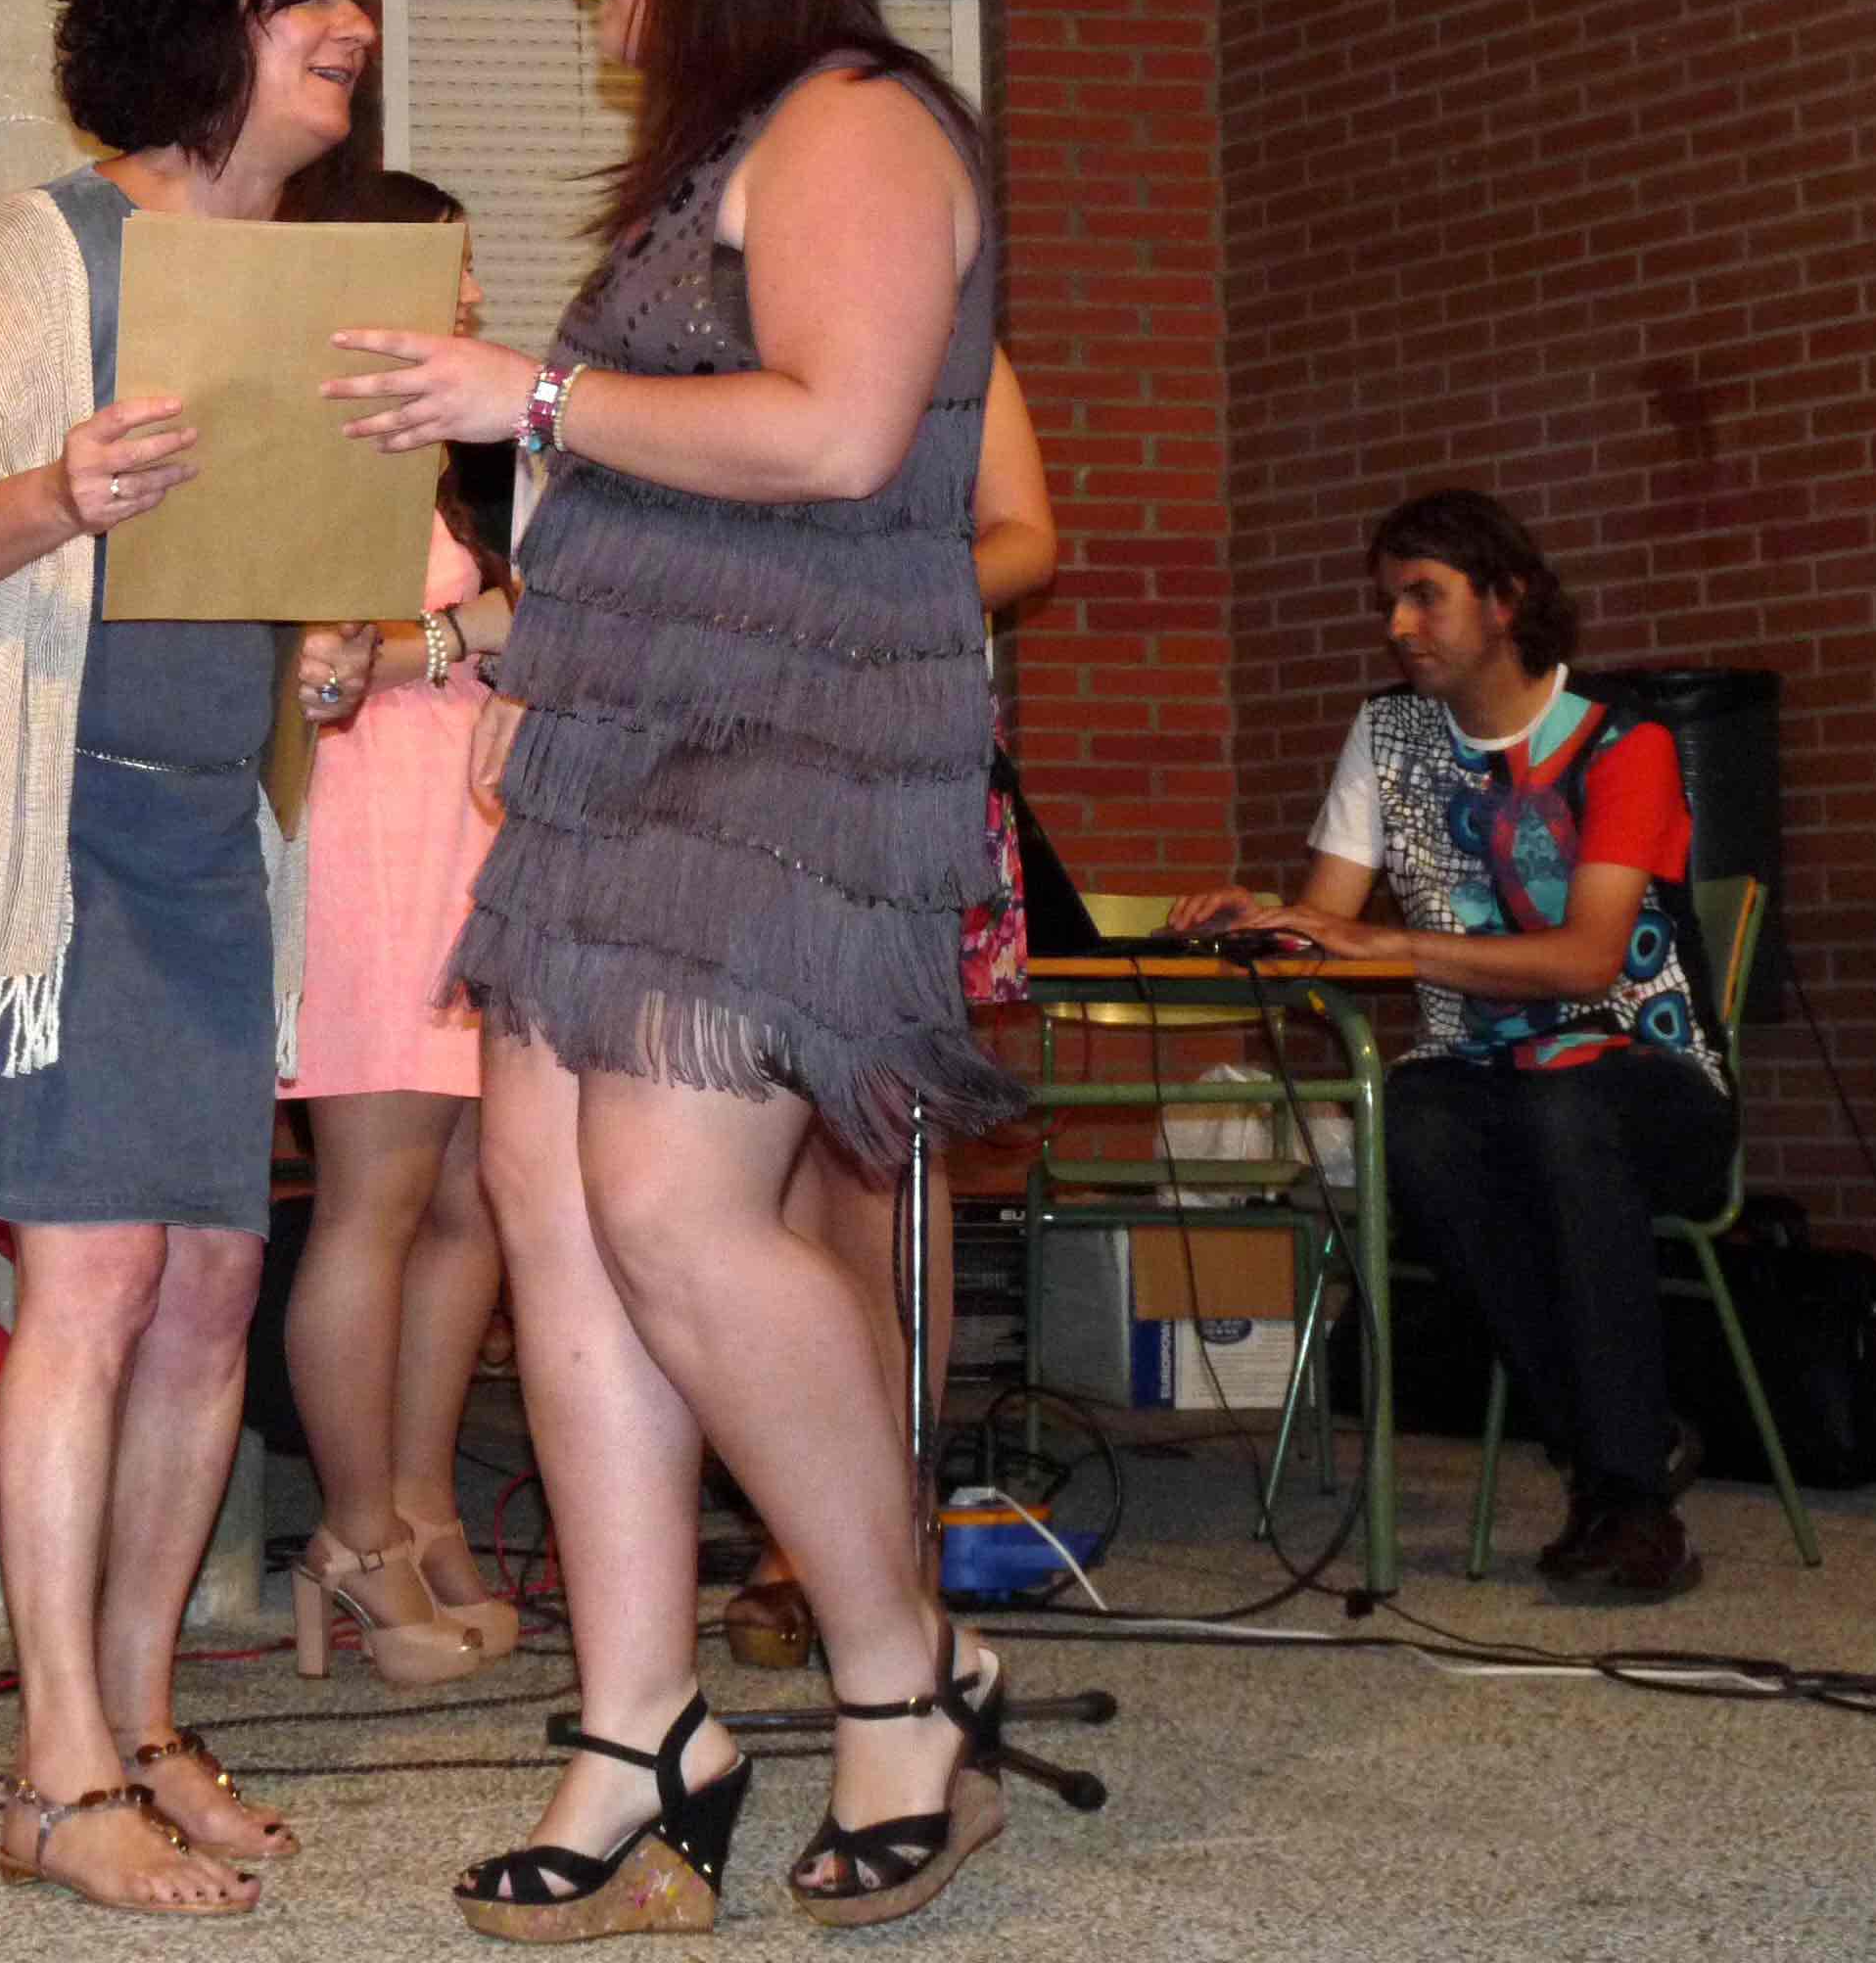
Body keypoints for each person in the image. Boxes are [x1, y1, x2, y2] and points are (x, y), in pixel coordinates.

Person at [326, 0, 1016, 1938]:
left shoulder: (858, 121)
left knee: (666, 1201)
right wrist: (515, 640)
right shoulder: (720, 159)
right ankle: (641, 1731)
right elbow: (661, 491)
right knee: (550, 1209)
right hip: (621, 746)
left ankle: (907, 1680)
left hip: (795, 749)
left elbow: (834, 430)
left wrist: (522, 398)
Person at [0, 0, 383, 1920]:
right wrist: (60, 487)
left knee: (214, 1284)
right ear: (205, 20)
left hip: (210, 832)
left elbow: (295, 562)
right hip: (44, 829)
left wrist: (332, 641)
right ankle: (55, 1771)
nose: (352, 25)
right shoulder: (47, 246)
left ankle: (142, 1724)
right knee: (88, 1283)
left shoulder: (308, 283)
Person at [1170, 488, 1730, 1602]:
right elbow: (1332, 925)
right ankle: (1621, 1461)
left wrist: (1388, 942)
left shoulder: (1624, 744)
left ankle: (1624, 1489)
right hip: (1478, 1080)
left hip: (1649, 1078)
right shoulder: (1386, 735)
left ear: (1506, 600)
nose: (1398, 625)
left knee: (1566, 1111)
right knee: (1413, 1126)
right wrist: (1267, 925)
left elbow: (1588, 961)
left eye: (1425, 597)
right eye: (1391, 601)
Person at [728, 346, 1056, 1671]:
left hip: (892, 756)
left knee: (875, 1159)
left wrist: (880, 603)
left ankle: (885, 1520)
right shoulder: (703, 331)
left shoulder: (951, 343)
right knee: (747, 1167)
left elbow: (1027, 537)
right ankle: (804, 1515)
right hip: (736, 761)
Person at [274, 163, 517, 1691]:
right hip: (365, 830)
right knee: (376, 1191)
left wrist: (446, 633)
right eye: (450, 272)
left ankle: (423, 1506)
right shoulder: (307, 437)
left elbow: (508, 621)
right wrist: (450, 638)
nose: (476, 298)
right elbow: (324, 655)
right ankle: (355, 1533)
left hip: (461, 829)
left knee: (473, 1193)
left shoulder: (433, 450)